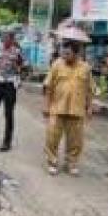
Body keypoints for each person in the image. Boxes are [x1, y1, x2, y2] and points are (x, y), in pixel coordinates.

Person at [43, 40, 93, 176]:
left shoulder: (86, 68)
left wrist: (89, 107)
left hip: (76, 110)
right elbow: (48, 87)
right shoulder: (57, 65)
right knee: (52, 136)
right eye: (63, 52)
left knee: (76, 140)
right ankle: (52, 161)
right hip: (57, 107)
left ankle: (71, 163)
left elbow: (89, 89)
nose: (64, 55)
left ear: (76, 53)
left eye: (68, 53)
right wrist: (46, 106)